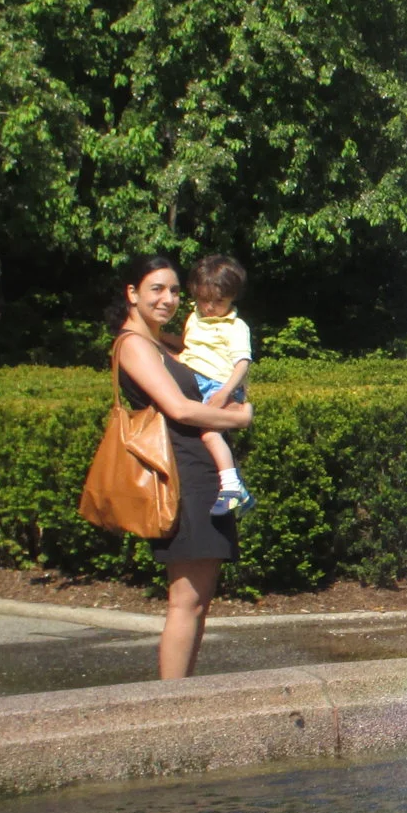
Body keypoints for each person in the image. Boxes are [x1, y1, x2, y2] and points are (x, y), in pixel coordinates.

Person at [108, 254, 252, 679]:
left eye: (173, 290)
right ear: (132, 294)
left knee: (199, 600)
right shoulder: (133, 344)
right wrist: (239, 418)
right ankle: (170, 706)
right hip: (181, 476)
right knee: (185, 600)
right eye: (156, 289)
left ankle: (185, 698)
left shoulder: (165, 343)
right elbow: (178, 409)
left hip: (201, 474)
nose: (168, 299)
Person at [179, 254, 256, 515]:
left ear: (233, 296)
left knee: (209, 433)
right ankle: (239, 491)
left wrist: (224, 393)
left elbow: (243, 363)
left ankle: (232, 486)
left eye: (218, 301)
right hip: (197, 380)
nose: (210, 307)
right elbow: (188, 347)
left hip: (219, 384)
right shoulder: (195, 318)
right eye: (203, 300)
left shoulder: (235, 327)